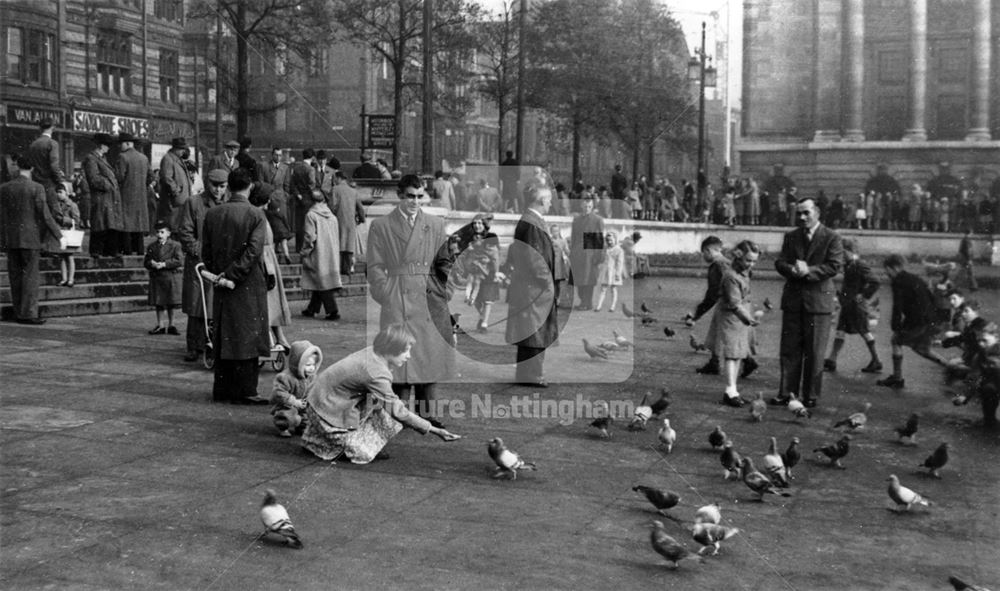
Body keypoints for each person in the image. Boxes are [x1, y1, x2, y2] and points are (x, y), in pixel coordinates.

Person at [300, 324, 461, 463]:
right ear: (391, 350)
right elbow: (399, 411)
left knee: (385, 413)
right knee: (363, 451)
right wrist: (434, 430)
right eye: (405, 351)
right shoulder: (376, 372)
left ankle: (322, 436)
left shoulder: (374, 352)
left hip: (323, 399)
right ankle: (322, 440)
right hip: (326, 407)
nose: (408, 356)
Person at [367, 174, 455, 425]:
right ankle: (400, 413)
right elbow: (374, 266)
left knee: (428, 353)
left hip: (429, 297)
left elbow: (444, 262)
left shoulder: (435, 224)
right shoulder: (382, 225)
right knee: (400, 356)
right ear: (400, 195)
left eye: (420, 197)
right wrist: (386, 293)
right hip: (398, 296)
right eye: (410, 196)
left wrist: (444, 291)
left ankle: (428, 413)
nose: (415, 202)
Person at [201, 168, 270, 405]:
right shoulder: (256, 215)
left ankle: (222, 389)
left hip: (220, 282)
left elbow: (206, 252)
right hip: (247, 283)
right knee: (248, 336)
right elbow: (253, 251)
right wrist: (233, 274)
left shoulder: (213, 214)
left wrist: (219, 275)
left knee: (224, 335)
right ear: (249, 187)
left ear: (228, 187)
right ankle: (246, 390)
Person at [771, 197, 843, 409]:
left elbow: (834, 266)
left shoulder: (832, 237)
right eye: (799, 213)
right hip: (793, 300)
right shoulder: (791, 236)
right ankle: (786, 393)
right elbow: (780, 261)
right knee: (789, 349)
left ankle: (811, 394)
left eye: (806, 213)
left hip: (819, 302)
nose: (802, 217)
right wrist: (790, 269)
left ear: (817, 212)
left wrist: (808, 271)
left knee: (815, 351)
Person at [503, 185, 557, 387]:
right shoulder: (533, 222)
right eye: (549, 199)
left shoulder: (529, 220)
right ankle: (533, 375)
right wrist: (548, 282)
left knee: (530, 332)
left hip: (528, 287)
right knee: (535, 333)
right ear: (542, 201)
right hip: (535, 288)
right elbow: (536, 260)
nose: (550, 203)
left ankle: (527, 374)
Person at [0, 155, 62, 324]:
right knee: (30, 277)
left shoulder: (4, 188)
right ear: (32, 169)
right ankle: (28, 313)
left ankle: (18, 310)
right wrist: (58, 234)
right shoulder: (37, 187)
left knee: (15, 276)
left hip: (11, 238)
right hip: (30, 238)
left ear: (17, 166)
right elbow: (45, 215)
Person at [176, 168, 228, 362]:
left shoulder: (228, 203)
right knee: (197, 304)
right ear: (207, 184)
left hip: (220, 261)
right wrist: (199, 251)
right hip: (199, 261)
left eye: (222, 187)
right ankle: (194, 345)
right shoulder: (194, 202)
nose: (218, 190)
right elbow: (185, 231)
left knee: (216, 304)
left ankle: (214, 343)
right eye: (214, 186)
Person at [876, 254, 948, 390]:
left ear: (895, 268)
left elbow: (898, 305)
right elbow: (930, 297)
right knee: (923, 349)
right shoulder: (915, 278)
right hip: (930, 318)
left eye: (887, 269)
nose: (886, 273)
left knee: (896, 341)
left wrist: (895, 325)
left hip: (917, 319)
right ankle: (953, 368)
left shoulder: (898, 281)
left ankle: (897, 378)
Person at [705, 240, 761, 407]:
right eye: (748, 260)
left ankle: (733, 390)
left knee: (738, 354)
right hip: (731, 317)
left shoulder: (743, 273)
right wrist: (748, 318)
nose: (751, 264)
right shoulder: (731, 276)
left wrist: (747, 317)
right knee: (731, 354)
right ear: (738, 257)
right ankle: (730, 390)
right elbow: (734, 303)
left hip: (740, 316)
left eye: (754, 261)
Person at [823, 238, 882, 374]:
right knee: (840, 331)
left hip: (856, 306)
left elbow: (875, 281)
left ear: (848, 251)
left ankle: (876, 360)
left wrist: (863, 295)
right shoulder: (850, 264)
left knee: (864, 331)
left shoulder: (859, 264)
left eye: (842, 252)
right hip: (848, 304)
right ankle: (832, 360)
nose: (840, 255)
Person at [249, 182, 292, 352]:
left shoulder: (262, 214)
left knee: (272, 302)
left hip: (269, 260)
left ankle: (279, 336)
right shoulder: (257, 215)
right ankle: (270, 337)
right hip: (264, 262)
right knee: (267, 302)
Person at [453, 214, 500, 333]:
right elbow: (463, 255)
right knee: (477, 300)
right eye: (474, 223)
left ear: (484, 224)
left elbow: (495, 257)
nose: (477, 225)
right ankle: (482, 316)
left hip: (488, 271)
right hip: (473, 270)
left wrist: (495, 272)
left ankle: (484, 323)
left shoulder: (491, 237)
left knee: (487, 299)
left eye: (479, 223)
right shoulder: (469, 238)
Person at [300, 189, 343, 320]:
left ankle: (332, 310)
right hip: (331, 252)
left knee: (321, 280)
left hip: (318, 252)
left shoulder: (311, 215)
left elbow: (309, 236)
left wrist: (305, 251)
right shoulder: (332, 216)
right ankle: (312, 308)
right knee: (320, 278)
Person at [270, 340, 322, 438]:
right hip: (287, 404)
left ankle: (302, 427)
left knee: (309, 415)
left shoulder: (311, 377)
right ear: (297, 362)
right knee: (286, 415)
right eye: (308, 365)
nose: (312, 368)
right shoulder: (285, 377)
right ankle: (283, 427)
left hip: (303, 403)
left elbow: (314, 388)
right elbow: (278, 393)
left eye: (313, 365)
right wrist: (293, 401)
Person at [116, 132, 154, 254]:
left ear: (127, 143)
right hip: (141, 197)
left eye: (121, 144)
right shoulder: (144, 158)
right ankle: (140, 250)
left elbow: (119, 177)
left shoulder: (122, 157)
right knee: (139, 223)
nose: (119, 146)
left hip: (126, 196)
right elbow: (151, 177)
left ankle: (127, 251)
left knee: (127, 224)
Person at [144, 220, 183, 335]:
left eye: (162, 232)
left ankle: (172, 324)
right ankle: (160, 324)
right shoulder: (152, 246)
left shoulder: (175, 245)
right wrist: (151, 263)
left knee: (171, 302)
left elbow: (179, 260)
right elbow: (146, 261)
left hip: (170, 277)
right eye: (157, 232)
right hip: (157, 277)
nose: (159, 235)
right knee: (159, 302)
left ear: (168, 233)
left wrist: (165, 264)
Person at [568, 196, 605, 310]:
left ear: (592, 207)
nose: (587, 208)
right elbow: (574, 237)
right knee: (578, 279)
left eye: (589, 206)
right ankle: (583, 301)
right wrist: (572, 252)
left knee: (589, 278)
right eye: (585, 206)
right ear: (581, 206)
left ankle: (587, 302)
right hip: (577, 253)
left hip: (590, 251)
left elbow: (599, 239)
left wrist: (598, 256)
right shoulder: (576, 220)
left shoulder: (597, 220)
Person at [329, 171, 365, 274]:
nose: (334, 181)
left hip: (338, 221)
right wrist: (361, 219)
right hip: (351, 222)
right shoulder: (353, 191)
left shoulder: (335, 189)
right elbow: (360, 208)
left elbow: (332, 206)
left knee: (339, 244)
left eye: (334, 178)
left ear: (339, 178)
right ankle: (348, 268)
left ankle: (339, 268)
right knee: (349, 245)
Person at [158, 137, 193, 232]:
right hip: (174, 202)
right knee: (173, 228)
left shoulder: (177, 159)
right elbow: (166, 178)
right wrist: (176, 191)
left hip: (180, 201)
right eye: (181, 149)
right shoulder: (168, 159)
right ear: (175, 149)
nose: (183, 151)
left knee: (179, 228)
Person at [27, 118, 65, 203]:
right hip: (49, 185)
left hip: (35, 183)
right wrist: (61, 181)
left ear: (40, 128)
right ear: (53, 128)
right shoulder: (52, 143)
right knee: (54, 213)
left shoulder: (33, 144)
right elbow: (54, 166)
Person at [51, 185, 81, 287]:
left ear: (67, 193)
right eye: (57, 192)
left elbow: (76, 221)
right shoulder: (56, 205)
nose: (58, 194)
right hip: (61, 234)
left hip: (69, 233)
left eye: (61, 192)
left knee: (69, 256)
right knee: (62, 257)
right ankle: (64, 278)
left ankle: (71, 278)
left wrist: (63, 220)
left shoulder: (72, 205)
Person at [288, 148, 317, 253]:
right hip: (308, 199)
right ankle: (307, 248)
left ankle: (298, 248)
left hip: (298, 199)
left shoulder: (296, 168)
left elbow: (292, 184)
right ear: (312, 157)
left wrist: (298, 194)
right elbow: (312, 185)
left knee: (299, 225)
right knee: (309, 225)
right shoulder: (311, 170)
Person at [594, 231, 624, 313]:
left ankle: (613, 306)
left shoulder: (619, 250)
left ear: (615, 239)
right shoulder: (606, 249)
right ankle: (599, 306)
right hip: (606, 270)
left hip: (614, 271)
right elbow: (602, 258)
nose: (610, 242)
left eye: (611, 240)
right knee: (603, 288)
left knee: (613, 288)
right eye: (608, 240)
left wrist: (618, 273)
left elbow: (619, 263)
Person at [549, 224, 571, 309]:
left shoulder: (563, 241)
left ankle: (558, 300)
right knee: (551, 283)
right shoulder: (549, 241)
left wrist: (569, 252)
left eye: (557, 231)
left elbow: (567, 251)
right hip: (551, 264)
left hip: (560, 265)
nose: (555, 233)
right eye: (553, 231)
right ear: (551, 232)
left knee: (559, 283)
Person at [958, 227, 978, 292]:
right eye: (972, 232)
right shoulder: (967, 240)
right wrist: (969, 259)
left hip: (964, 259)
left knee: (965, 272)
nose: (972, 234)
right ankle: (973, 287)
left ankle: (973, 286)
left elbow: (961, 250)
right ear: (970, 233)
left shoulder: (964, 240)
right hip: (967, 259)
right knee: (969, 273)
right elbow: (968, 251)